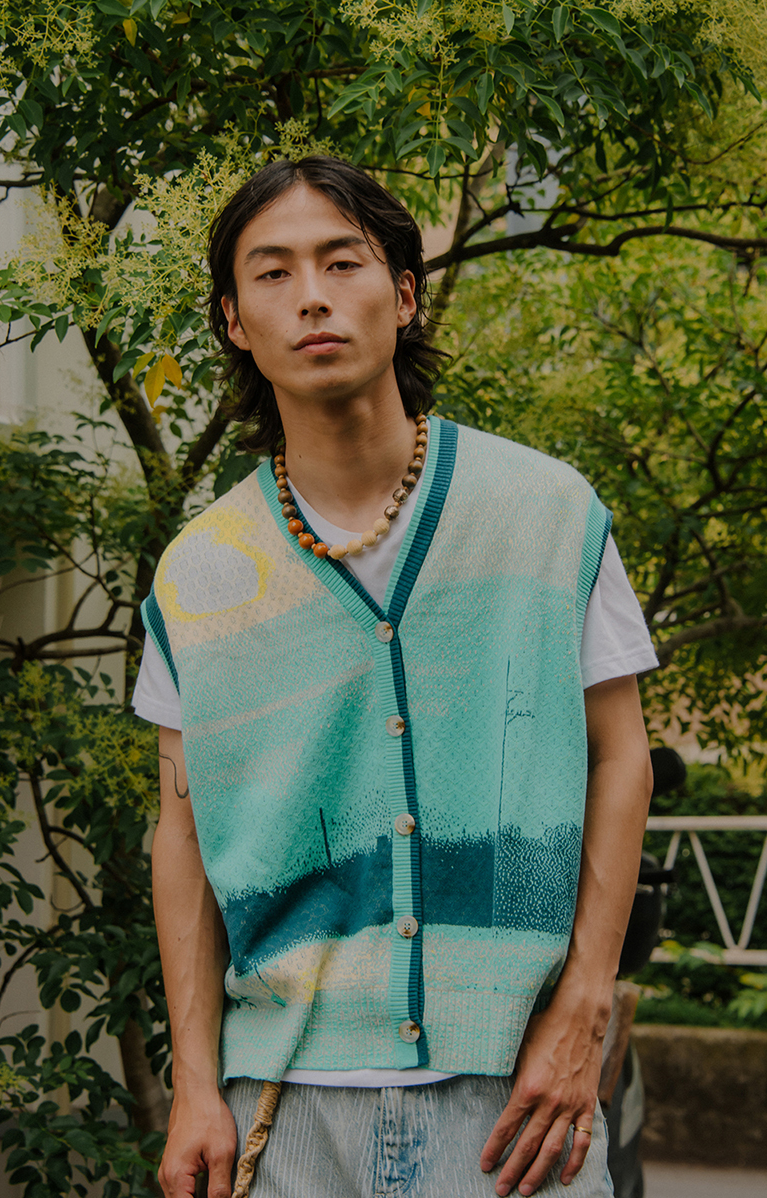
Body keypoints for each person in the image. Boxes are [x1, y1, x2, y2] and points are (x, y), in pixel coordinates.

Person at [132, 155, 657, 1198]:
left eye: (343, 261)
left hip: (513, 1102)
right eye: (272, 272)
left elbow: (621, 755)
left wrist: (584, 1005)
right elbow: (182, 832)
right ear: (234, 321)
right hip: (281, 1110)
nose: (311, 295)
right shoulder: (198, 573)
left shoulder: (548, 514)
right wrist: (195, 1083)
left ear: (404, 295)